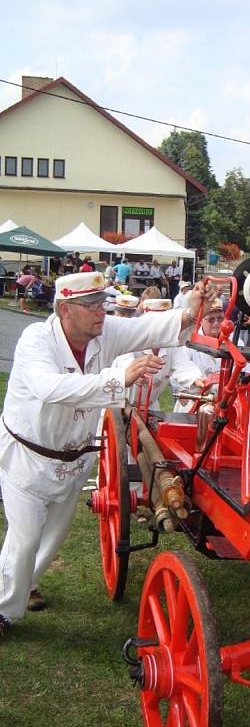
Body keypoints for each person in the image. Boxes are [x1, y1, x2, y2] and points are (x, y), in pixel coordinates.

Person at [0, 270, 219, 635]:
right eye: (91, 305)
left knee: (52, 538)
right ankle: (4, 609)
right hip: (28, 459)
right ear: (65, 308)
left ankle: (24, 585)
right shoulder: (35, 340)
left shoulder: (103, 333)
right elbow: (50, 387)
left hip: (73, 460)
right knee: (24, 539)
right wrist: (119, 379)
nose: (101, 312)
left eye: (102, 303)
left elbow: (147, 329)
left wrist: (188, 312)